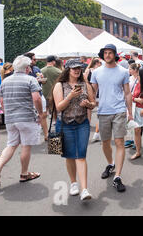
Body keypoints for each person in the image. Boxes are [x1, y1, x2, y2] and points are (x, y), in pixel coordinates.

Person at [0, 55, 43, 188]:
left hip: (11, 118)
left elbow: (1, 100)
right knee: (25, 145)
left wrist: (7, 114)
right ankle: (24, 174)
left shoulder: (6, 81)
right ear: (27, 68)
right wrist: (40, 114)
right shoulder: (31, 79)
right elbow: (36, 98)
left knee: (11, 144)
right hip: (26, 117)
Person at [90, 44, 133, 193]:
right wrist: (89, 105)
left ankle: (118, 177)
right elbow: (92, 91)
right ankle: (110, 164)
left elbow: (127, 93)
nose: (108, 55)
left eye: (110, 53)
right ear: (103, 55)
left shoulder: (123, 71)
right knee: (105, 143)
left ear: (115, 55)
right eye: (105, 53)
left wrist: (130, 112)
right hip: (103, 111)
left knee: (120, 141)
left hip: (119, 110)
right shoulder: (96, 72)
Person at [52, 59, 96, 201]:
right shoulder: (60, 85)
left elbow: (93, 103)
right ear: (68, 70)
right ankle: (73, 183)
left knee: (81, 155)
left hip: (82, 123)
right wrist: (71, 96)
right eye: (73, 68)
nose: (77, 70)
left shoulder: (85, 84)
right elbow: (59, 107)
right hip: (65, 124)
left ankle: (84, 189)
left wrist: (88, 104)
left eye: (79, 68)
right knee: (70, 155)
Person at [41, 55, 62, 141]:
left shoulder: (41, 70)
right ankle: (55, 123)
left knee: (43, 113)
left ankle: (46, 131)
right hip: (54, 93)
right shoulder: (58, 71)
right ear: (53, 61)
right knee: (55, 110)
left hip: (43, 93)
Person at [84, 58, 102, 142]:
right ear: (97, 63)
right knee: (98, 110)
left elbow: (85, 80)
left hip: (91, 89)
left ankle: (88, 123)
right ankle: (96, 132)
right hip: (95, 91)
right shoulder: (98, 70)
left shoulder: (89, 70)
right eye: (100, 62)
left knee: (90, 109)